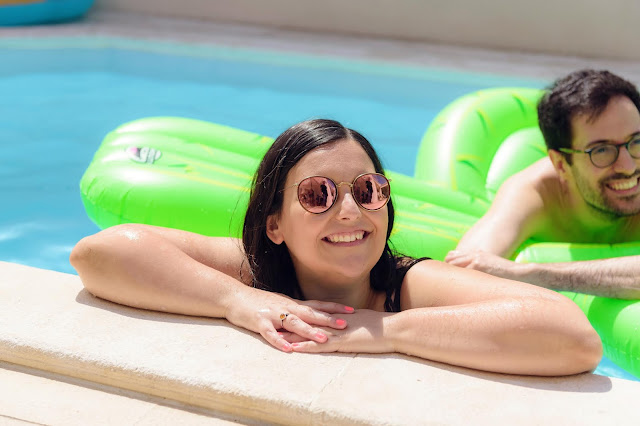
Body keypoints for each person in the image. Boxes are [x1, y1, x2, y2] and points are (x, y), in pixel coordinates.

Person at [71, 119, 601, 376]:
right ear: (275, 224)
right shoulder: (255, 273)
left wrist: (383, 330)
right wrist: (237, 300)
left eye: (368, 190)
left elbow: (574, 337)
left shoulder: (405, 285)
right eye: (317, 194)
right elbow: (99, 253)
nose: (350, 211)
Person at [446, 69, 640, 299]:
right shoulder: (535, 193)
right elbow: (462, 272)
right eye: (601, 151)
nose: (628, 166)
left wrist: (534, 275)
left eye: (636, 141)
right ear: (560, 164)